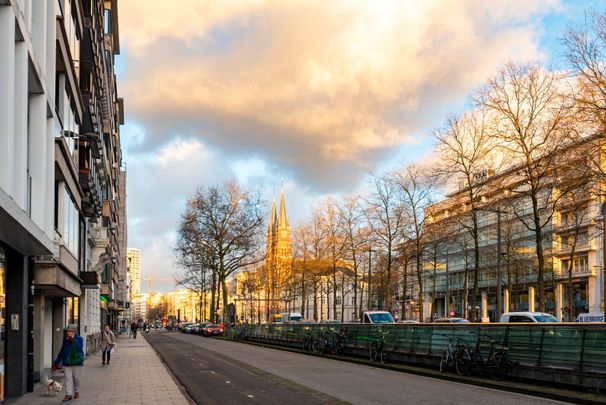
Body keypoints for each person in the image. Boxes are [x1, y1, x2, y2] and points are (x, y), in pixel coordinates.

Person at [52, 324, 84, 402]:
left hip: (77, 362)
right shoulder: (65, 339)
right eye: (67, 331)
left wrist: (73, 340)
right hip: (67, 362)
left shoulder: (79, 338)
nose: (68, 332)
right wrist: (56, 362)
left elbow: (79, 348)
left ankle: (76, 391)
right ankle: (68, 394)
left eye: (70, 331)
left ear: (74, 332)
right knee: (68, 379)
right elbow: (62, 351)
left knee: (76, 378)